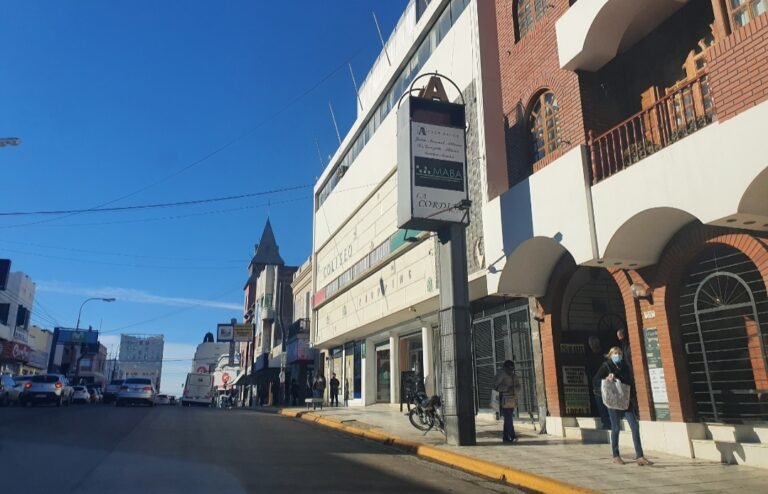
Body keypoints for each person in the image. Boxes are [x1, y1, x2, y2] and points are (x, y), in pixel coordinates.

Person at [593, 347, 653, 466]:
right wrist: (607, 379)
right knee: (616, 428)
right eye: (615, 353)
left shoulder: (625, 366)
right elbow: (596, 380)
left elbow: (630, 381)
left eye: (620, 353)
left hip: (625, 401)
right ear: (610, 355)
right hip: (613, 401)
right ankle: (616, 455)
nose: (618, 355)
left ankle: (640, 456)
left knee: (634, 426)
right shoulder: (606, 366)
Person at [492, 360, 522, 444]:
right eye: (509, 368)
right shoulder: (500, 374)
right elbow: (495, 386)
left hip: (512, 399)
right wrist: (506, 388)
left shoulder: (514, 376)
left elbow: (519, 387)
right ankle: (511, 435)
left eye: (512, 368)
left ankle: (506, 436)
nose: (510, 370)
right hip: (503, 398)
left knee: (508, 418)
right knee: (508, 417)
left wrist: (513, 389)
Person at [587, 336, 611, 429]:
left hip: (605, 380)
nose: (592, 346)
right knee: (600, 403)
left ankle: (609, 421)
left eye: (593, 344)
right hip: (596, 382)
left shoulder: (604, 355)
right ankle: (605, 422)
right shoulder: (591, 356)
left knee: (607, 402)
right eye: (591, 345)